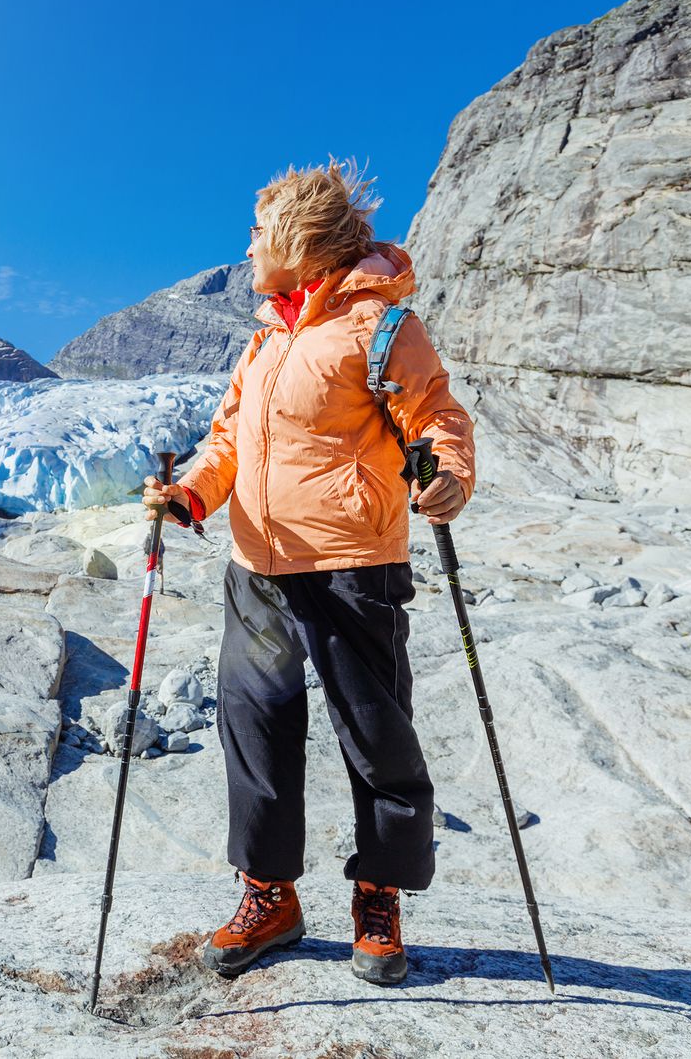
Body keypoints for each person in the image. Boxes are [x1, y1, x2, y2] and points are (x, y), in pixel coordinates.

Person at [140, 157, 475, 987]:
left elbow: (436, 415)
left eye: (258, 232)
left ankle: (379, 893)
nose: (248, 245)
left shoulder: (382, 329)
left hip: (353, 566)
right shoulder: (265, 342)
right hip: (256, 568)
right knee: (255, 729)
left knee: (377, 737)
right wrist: (190, 497)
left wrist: (449, 475)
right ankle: (270, 894)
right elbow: (225, 443)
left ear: (299, 239)